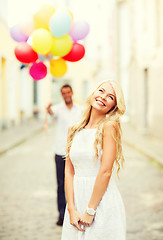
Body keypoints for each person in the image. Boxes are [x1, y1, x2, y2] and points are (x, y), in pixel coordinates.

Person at [61, 80, 126, 240]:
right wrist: (71, 209)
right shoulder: (73, 129)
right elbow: (69, 171)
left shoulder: (109, 126)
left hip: (101, 203)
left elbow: (105, 171)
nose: (103, 97)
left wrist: (90, 210)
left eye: (110, 97)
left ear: (113, 106)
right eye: (101, 91)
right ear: (93, 92)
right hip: (76, 203)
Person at [46, 84, 82, 226]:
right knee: (61, 185)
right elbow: (51, 113)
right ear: (61, 95)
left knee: (76, 183)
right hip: (60, 152)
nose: (66, 94)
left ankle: (75, 211)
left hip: (76, 152)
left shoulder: (80, 110)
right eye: (63, 93)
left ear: (72, 92)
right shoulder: (57, 109)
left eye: (68, 92)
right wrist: (48, 109)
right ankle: (61, 214)